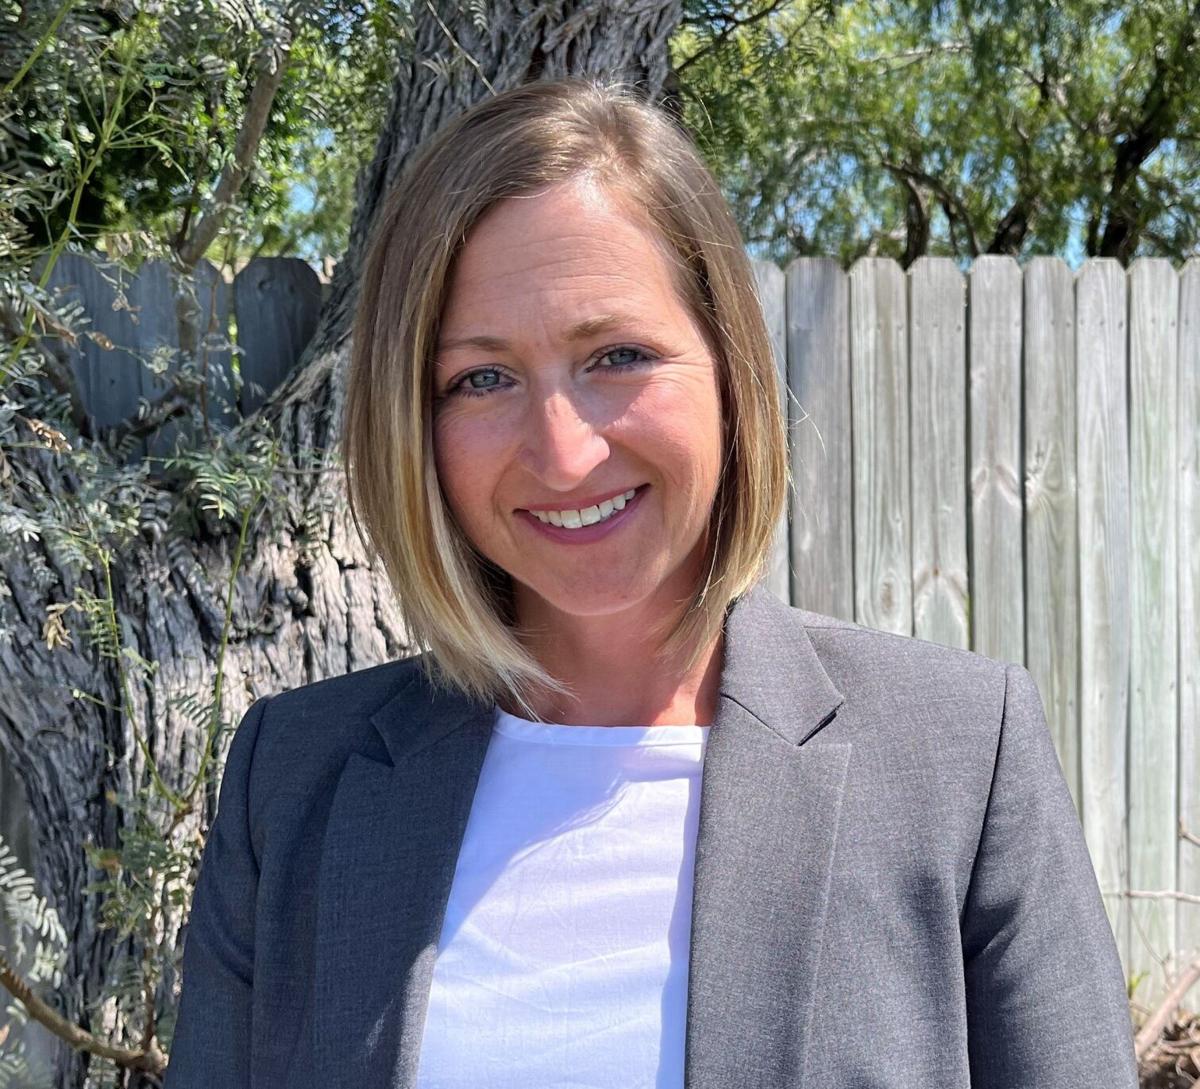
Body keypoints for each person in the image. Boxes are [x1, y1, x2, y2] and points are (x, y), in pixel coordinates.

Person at [163, 78, 1139, 1089]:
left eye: (617, 355)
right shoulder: (295, 781)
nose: (563, 451)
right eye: (482, 378)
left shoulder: (957, 758)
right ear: (417, 424)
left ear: (728, 367)